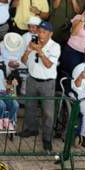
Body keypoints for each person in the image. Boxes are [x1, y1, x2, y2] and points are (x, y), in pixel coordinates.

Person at [18, 21, 60, 152]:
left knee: (48, 112)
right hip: (32, 79)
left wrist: (39, 50)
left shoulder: (55, 46)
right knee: (30, 106)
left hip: (47, 83)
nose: (40, 34)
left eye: (44, 32)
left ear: (50, 34)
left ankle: (47, 138)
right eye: (39, 31)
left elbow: (48, 64)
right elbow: (23, 60)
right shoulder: (32, 42)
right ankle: (31, 129)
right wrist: (28, 50)